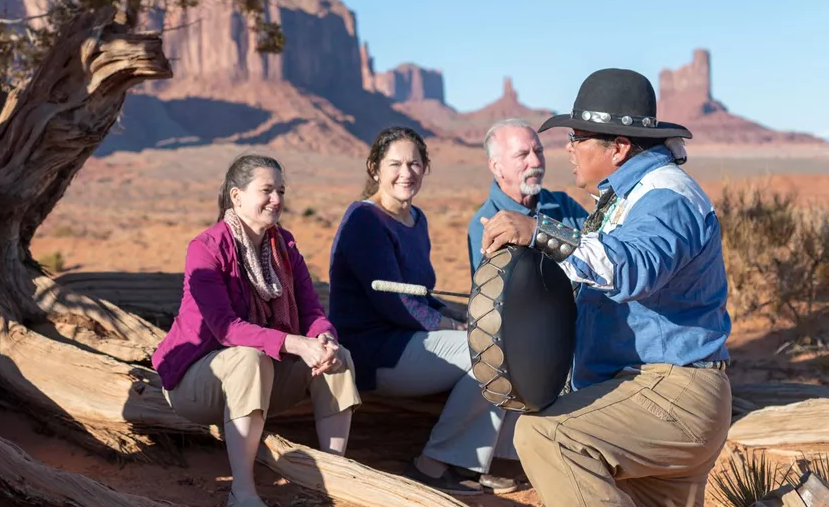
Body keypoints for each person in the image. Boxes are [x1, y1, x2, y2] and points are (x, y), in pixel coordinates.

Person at [480, 68, 732, 507]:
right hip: (650, 393)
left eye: (578, 137)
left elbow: (632, 267)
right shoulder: (628, 195)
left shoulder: (665, 196)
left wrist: (540, 232)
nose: (569, 148)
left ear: (617, 148)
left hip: (669, 395)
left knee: (546, 436)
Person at [152, 154, 361, 507]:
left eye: (281, 190)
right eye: (267, 190)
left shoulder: (285, 245)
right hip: (197, 383)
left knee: (338, 358)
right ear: (236, 196)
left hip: (263, 376)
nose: (277, 200)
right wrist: (295, 343)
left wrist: (323, 337)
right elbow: (226, 328)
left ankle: (331, 482)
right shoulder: (206, 248)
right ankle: (243, 493)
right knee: (251, 358)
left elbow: (311, 309)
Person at [328, 126, 521, 496]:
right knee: (485, 351)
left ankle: (481, 463)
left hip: (409, 340)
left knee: (499, 340)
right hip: (375, 349)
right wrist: (451, 324)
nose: (407, 173)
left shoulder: (417, 219)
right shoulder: (364, 220)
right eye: (395, 164)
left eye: (415, 164)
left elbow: (422, 293)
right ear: (374, 169)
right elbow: (394, 301)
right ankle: (430, 467)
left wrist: (461, 317)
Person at [467, 119, 588, 273]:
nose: (536, 162)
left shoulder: (564, 204)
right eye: (522, 154)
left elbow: (599, 255)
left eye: (538, 151)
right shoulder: (485, 222)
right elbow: (491, 291)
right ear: (497, 167)